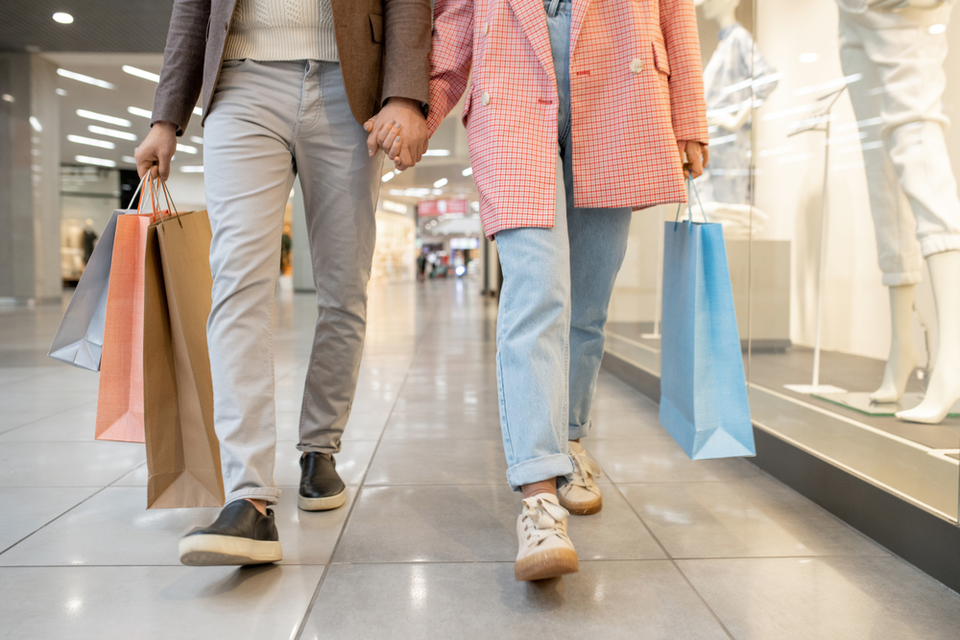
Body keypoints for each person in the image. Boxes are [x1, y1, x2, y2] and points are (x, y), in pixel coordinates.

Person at [404, 0, 709, 581]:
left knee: (588, 302)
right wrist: (423, 105)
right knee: (538, 289)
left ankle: (570, 439)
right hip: (511, 80)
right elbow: (459, 14)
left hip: (623, 79)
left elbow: (676, 9)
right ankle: (539, 496)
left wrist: (689, 114)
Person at [135, 0, 432, 566]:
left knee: (344, 290)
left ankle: (319, 449)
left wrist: (404, 93)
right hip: (241, 83)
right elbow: (191, 7)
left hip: (352, 85)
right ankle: (248, 494)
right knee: (238, 285)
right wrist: (164, 117)